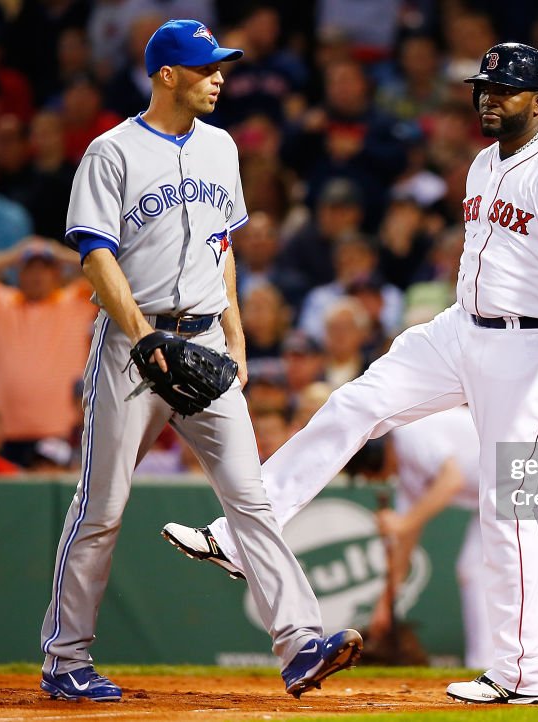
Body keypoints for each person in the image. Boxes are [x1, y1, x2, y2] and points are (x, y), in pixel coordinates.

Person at [161, 43, 538, 705]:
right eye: (483, 87)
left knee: (502, 505)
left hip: (530, 346)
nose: (488, 97)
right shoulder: (485, 163)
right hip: (463, 327)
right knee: (351, 404)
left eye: (504, 90)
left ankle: (521, 676)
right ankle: (240, 535)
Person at [37, 20, 360, 703]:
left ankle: (300, 643)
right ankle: (65, 658)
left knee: (251, 498)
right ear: (166, 75)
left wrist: (237, 336)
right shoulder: (111, 151)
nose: (220, 77)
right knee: (103, 507)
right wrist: (143, 338)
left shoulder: (221, 147)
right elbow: (95, 255)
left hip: (206, 338)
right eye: (206, 67)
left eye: (221, 67)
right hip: (133, 345)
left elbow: (223, 247)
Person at [350, 406, 538, 666]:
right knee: (474, 569)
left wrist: (403, 522)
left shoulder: (411, 433)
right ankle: (484, 661)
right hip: (500, 492)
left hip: (537, 467)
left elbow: (450, 482)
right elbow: (406, 540)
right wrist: (383, 607)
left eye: (370, 470)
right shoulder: (407, 477)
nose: (375, 478)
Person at [0, 239, 97, 466]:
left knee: (60, 499)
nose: (37, 275)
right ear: (18, 273)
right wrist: (10, 256)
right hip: (5, 433)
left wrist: (62, 254)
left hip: (61, 431)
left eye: (44, 268)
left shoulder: (77, 300)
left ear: (57, 273)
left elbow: (117, 273)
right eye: (29, 268)